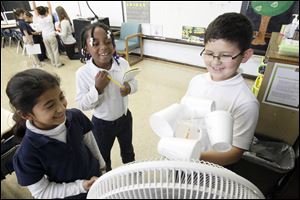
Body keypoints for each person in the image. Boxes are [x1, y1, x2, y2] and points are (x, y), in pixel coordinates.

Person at [6, 69, 105, 199]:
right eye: (50, 105)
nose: (62, 108)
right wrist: (81, 186)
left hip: (98, 183)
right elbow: (41, 192)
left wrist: (103, 169)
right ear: (26, 115)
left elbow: (91, 144)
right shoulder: (27, 154)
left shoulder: (75, 117)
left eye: (61, 97)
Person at [182, 12, 259, 166]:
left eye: (225, 55)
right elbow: (185, 116)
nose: (215, 62)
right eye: (209, 53)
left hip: (210, 167)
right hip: (184, 154)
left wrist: (194, 155)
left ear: (245, 56)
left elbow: (235, 152)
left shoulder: (245, 102)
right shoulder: (197, 81)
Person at [76, 22, 137, 172]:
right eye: (95, 44)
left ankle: (132, 170)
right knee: (103, 155)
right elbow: (82, 104)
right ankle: (107, 177)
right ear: (86, 48)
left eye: (108, 42)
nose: (103, 47)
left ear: (114, 44)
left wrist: (129, 88)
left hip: (124, 118)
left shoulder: (121, 63)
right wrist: (97, 89)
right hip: (101, 125)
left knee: (128, 149)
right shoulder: (83, 73)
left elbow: (133, 81)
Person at [32, 1, 64, 68]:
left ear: (38, 13)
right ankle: (58, 64)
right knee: (55, 50)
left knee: (49, 51)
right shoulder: (49, 17)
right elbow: (50, 7)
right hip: (51, 36)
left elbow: (34, 9)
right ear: (46, 11)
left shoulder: (38, 19)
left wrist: (33, 2)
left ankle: (53, 63)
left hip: (45, 37)